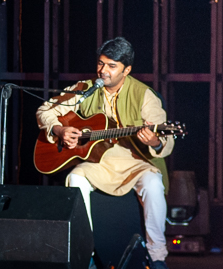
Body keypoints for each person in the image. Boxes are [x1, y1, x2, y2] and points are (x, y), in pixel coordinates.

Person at [35, 37, 173, 269]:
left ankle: (157, 255)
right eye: (101, 63)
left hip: (134, 162)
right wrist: (59, 128)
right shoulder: (86, 89)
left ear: (126, 70)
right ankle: (86, 251)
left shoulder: (144, 95)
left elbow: (165, 142)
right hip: (99, 161)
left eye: (111, 66)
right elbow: (45, 110)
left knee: (152, 184)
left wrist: (155, 141)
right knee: (76, 178)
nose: (103, 71)